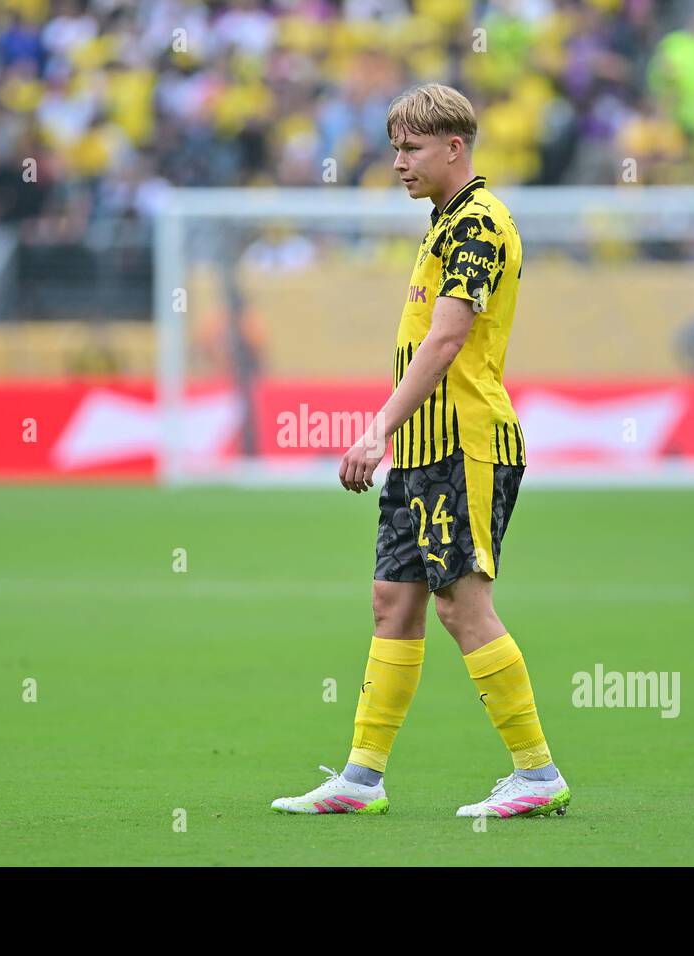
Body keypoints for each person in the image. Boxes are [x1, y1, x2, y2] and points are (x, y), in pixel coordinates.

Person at [271, 84, 569, 819]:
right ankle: (361, 778)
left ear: (454, 148)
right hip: (425, 449)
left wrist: (378, 427)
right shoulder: (444, 222)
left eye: (411, 149)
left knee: (462, 605)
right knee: (392, 603)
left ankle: (537, 774)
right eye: (394, 148)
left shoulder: (478, 223)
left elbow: (446, 339)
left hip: (464, 444)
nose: (398, 162)